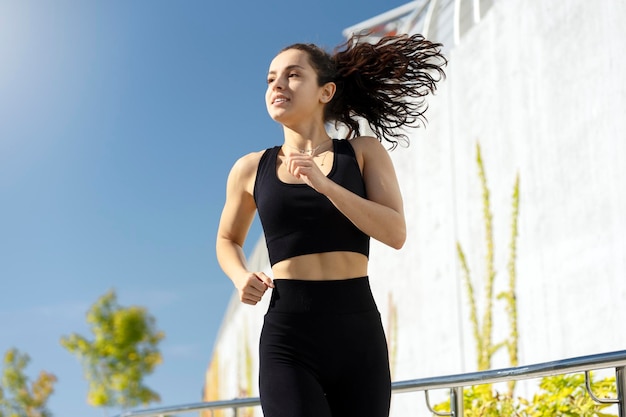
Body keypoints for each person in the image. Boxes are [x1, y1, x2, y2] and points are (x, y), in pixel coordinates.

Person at [216, 32, 446, 417]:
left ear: (326, 92)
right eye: (270, 78)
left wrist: (326, 186)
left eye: (292, 75)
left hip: (358, 331)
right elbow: (227, 238)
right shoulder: (249, 168)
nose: (277, 85)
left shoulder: (362, 153)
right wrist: (240, 277)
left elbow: (395, 232)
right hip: (289, 333)